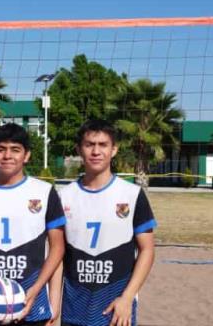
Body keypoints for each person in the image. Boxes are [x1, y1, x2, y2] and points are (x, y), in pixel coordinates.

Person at [0, 123, 66, 326]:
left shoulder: (44, 192)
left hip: (31, 300)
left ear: (26, 156)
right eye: (1, 150)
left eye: (15, 150)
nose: (7, 156)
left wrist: (43, 292)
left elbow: (58, 247)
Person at [56, 119, 157, 326]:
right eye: (89, 144)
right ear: (79, 149)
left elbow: (147, 250)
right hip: (74, 307)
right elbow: (57, 254)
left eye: (103, 145)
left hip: (117, 307)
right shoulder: (63, 196)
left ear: (114, 150)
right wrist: (54, 302)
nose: (95, 151)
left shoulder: (132, 194)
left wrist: (128, 297)